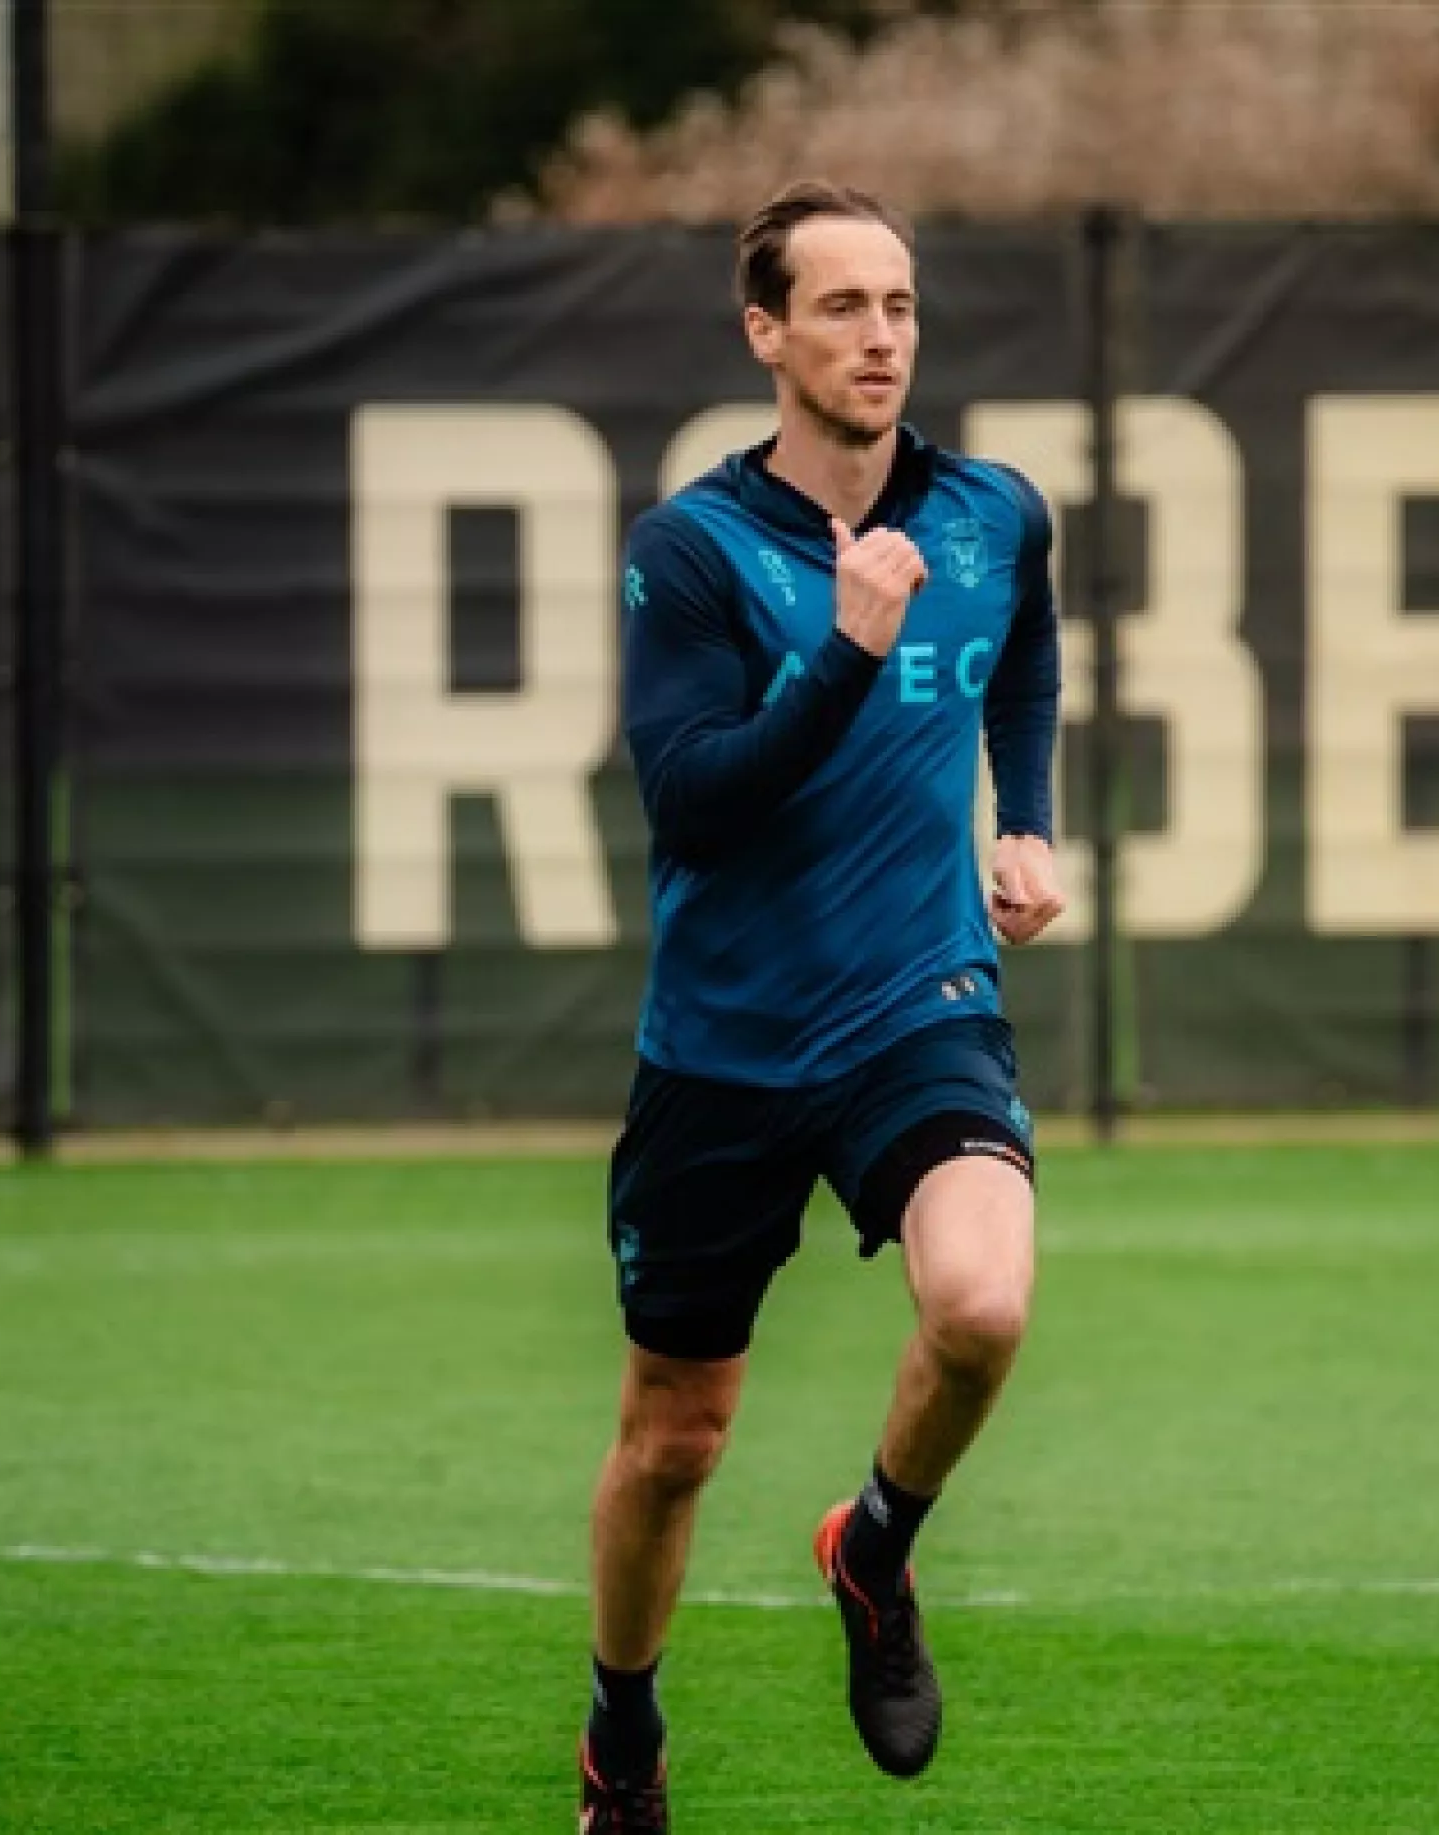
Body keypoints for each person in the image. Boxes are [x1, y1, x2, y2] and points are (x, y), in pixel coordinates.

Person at [577, 180, 1066, 1833]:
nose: (882, 337)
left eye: (903, 305)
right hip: (723, 1048)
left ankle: (873, 1545)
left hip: (917, 1005)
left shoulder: (993, 512)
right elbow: (696, 802)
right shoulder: (695, 552)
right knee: (673, 1442)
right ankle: (624, 1741)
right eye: (844, 307)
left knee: (985, 1305)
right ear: (766, 333)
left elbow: (1025, 656)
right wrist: (845, 655)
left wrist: (1030, 817)